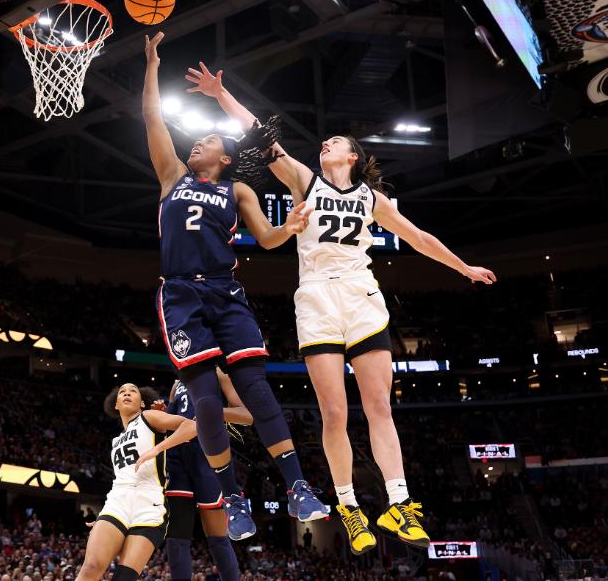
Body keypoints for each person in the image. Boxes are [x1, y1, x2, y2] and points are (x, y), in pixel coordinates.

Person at [187, 61, 496, 552]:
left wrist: (463, 268)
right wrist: (220, 95)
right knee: (334, 412)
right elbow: (259, 136)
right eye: (325, 142)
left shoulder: (373, 199)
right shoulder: (306, 180)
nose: (325, 143)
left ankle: (400, 505)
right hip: (316, 297)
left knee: (379, 408)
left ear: (352, 157)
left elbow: (418, 238)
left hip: (361, 294)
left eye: (334, 142)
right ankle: (351, 509)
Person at [142, 31, 328, 526]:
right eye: (196, 140)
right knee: (205, 400)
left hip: (225, 292)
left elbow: (265, 240)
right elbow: (152, 117)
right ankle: (232, 498)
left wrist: (288, 228)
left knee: (257, 390)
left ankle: (299, 487)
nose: (196, 142)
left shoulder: (238, 190)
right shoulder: (170, 178)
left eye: (207, 141)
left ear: (223, 159)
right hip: (181, 293)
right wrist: (151, 64)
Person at [76, 383, 198, 581]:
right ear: (115, 405)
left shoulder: (148, 417)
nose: (126, 393)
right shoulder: (116, 441)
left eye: (132, 391)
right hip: (117, 502)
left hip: (149, 503)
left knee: (124, 577)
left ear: (142, 403)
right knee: (91, 567)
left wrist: (157, 449)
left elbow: (192, 426)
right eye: (122, 392)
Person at [164, 369, 253, 581]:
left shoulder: (220, 373)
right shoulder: (177, 384)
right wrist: (161, 413)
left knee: (218, 537)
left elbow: (247, 416)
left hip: (208, 452)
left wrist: (214, 411)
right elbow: (169, 421)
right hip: (177, 453)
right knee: (176, 534)